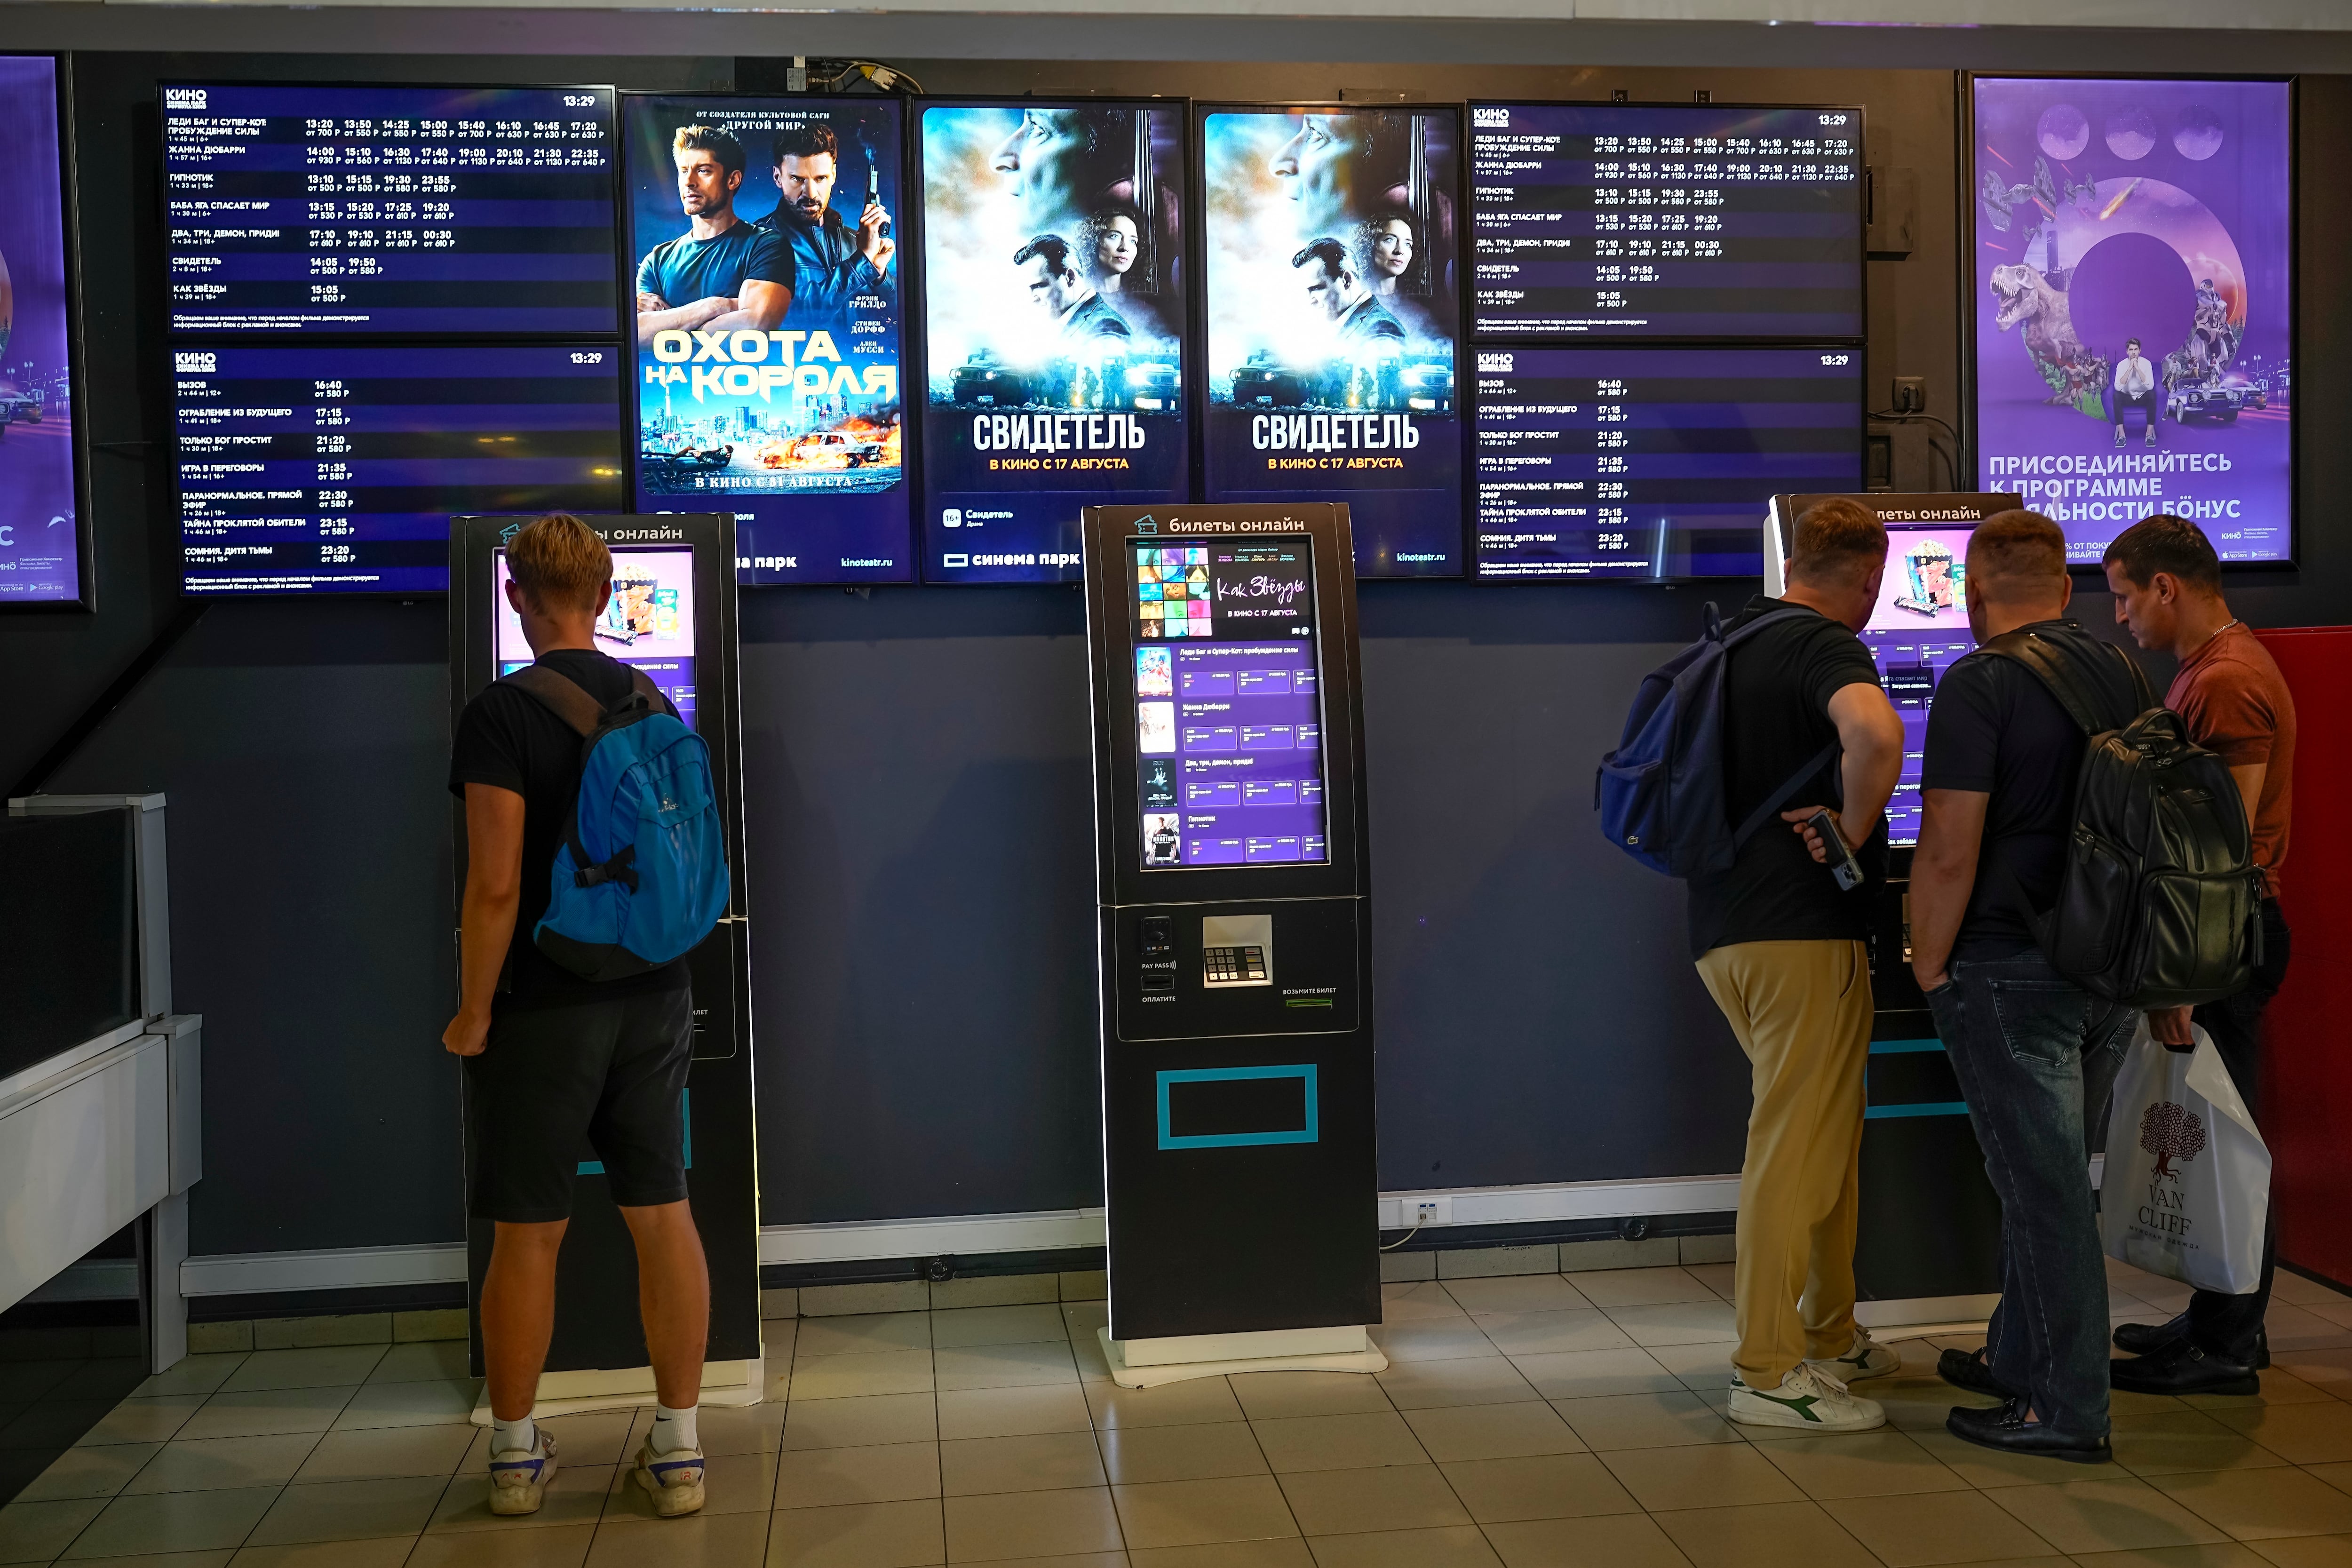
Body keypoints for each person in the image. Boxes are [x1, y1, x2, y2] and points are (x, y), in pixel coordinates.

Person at [444, 514, 712, 1519]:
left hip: (547, 1003)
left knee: (529, 1231)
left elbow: (497, 885)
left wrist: (474, 1012)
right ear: (605, 596)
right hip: (653, 990)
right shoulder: (654, 700)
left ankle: (516, 1459)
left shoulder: (499, 714)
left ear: (518, 596)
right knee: (662, 1213)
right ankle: (679, 1449)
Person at [1911, 509, 2142, 1464]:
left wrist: (1928, 963)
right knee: (2048, 1181)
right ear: (2064, 588)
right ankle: (2020, 1356)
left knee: (2041, 1193)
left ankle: (2065, 1405)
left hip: (2011, 967)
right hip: (2110, 967)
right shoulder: (2119, 673)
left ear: (1972, 594)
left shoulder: (1980, 682)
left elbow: (1950, 843)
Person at [1687, 497, 1908, 1432]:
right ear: (1866, 577)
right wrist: (1851, 833)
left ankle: (1828, 1329)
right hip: (1801, 933)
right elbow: (1878, 734)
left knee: (1825, 1133)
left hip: (1724, 929)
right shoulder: (1825, 645)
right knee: (1790, 1143)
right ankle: (1768, 1368)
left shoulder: (1730, 640)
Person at [2103, 513, 2297, 1394]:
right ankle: (2221, 1316)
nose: (2121, 619)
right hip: (2226, 931)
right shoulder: (2215, 668)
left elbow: (2218, 847)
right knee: (2217, 1133)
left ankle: (2229, 1342)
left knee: (2227, 1139)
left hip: (2224, 936)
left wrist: (2178, 971)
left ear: (2164, 587)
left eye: (2124, 596)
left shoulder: (2223, 682)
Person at [635, 125, 795, 349]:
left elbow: (755, 328)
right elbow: (637, 334)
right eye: (683, 171)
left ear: (733, 180)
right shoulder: (658, 260)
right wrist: (715, 306)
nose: (689, 181)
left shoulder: (765, 246)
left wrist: (669, 328)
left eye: (703, 171)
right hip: (675, 384)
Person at [760, 121, 895, 328]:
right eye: (797, 179)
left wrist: (879, 274)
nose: (811, 194)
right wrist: (862, 263)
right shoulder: (758, 242)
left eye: (820, 178)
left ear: (833, 175)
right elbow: (789, 315)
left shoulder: (854, 241)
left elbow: (903, 320)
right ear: (778, 177)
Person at [1013, 234, 1131, 345]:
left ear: (1070, 277)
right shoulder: (1057, 325)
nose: (1033, 299)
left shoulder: (1107, 327)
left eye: (1039, 286)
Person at [1292, 238, 1403, 350]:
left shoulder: (1382, 328)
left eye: (1316, 288)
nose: (1310, 301)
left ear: (1346, 280)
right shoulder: (1333, 327)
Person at [1080, 204, 1143, 294]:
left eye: (1133, 241)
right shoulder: (1080, 296)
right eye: (1115, 236)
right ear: (1095, 240)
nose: (1125, 248)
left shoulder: (1139, 302)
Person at [2112, 337, 2158, 448]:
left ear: (2140, 351)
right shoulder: (2122, 365)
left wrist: (2137, 368)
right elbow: (2118, 387)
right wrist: (2129, 369)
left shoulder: (2146, 364)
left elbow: (2150, 386)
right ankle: (2122, 435)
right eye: (2131, 350)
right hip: (2127, 397)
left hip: (2142, 397)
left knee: (2152, 395)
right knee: (2116, 396)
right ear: (2127, 352)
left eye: (2136, 350)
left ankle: (2149, 434)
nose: (2133, 353)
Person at [1360, 211, 1416, 296]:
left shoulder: (1414, 303)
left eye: (1407, 244)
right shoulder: (1357, 298)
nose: (1400, 251)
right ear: (1371, 244)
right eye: (1390, 240)